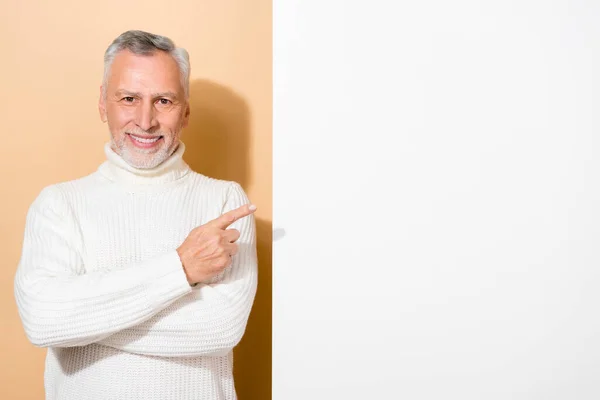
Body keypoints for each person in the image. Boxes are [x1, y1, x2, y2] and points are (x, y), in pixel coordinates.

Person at [13, 30, 258, 400]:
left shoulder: (224, 202)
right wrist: (181, 268)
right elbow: (44, 320)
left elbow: (220, 329)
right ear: (102, 103)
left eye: (164, 101)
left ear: (186, 109)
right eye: (129, 98)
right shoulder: (58, 204)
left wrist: (83, 321)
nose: (145, 121)